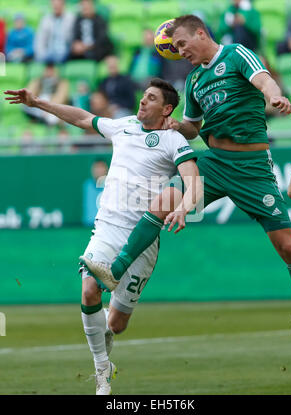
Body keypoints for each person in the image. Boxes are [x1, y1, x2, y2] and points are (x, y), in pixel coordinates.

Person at [83, 15, 291, 305]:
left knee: (287, 248)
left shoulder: (236, 54)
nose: (181, 52)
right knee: (161, 204)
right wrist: (175, 126)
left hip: (253, 167)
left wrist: (274, 97)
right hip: (215, 162)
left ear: (200, 33)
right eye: (176, 48)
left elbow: (264, 81)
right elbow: (193, 128)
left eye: (183, 44)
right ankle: (116, 270)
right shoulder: (194, 80)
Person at [4, 78, 201, 395]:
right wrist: (37, 102)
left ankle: (108, 333)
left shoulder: (172, 140)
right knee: (89, 290)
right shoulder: (123, 126)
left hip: (143, 238)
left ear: (166, 109)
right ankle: (101, 372)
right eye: (143, 96)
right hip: (108, 226)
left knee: (116, 325)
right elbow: (82, 118)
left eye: (151, 98)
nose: (142, 101)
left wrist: (185, 206)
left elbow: (193, 177)